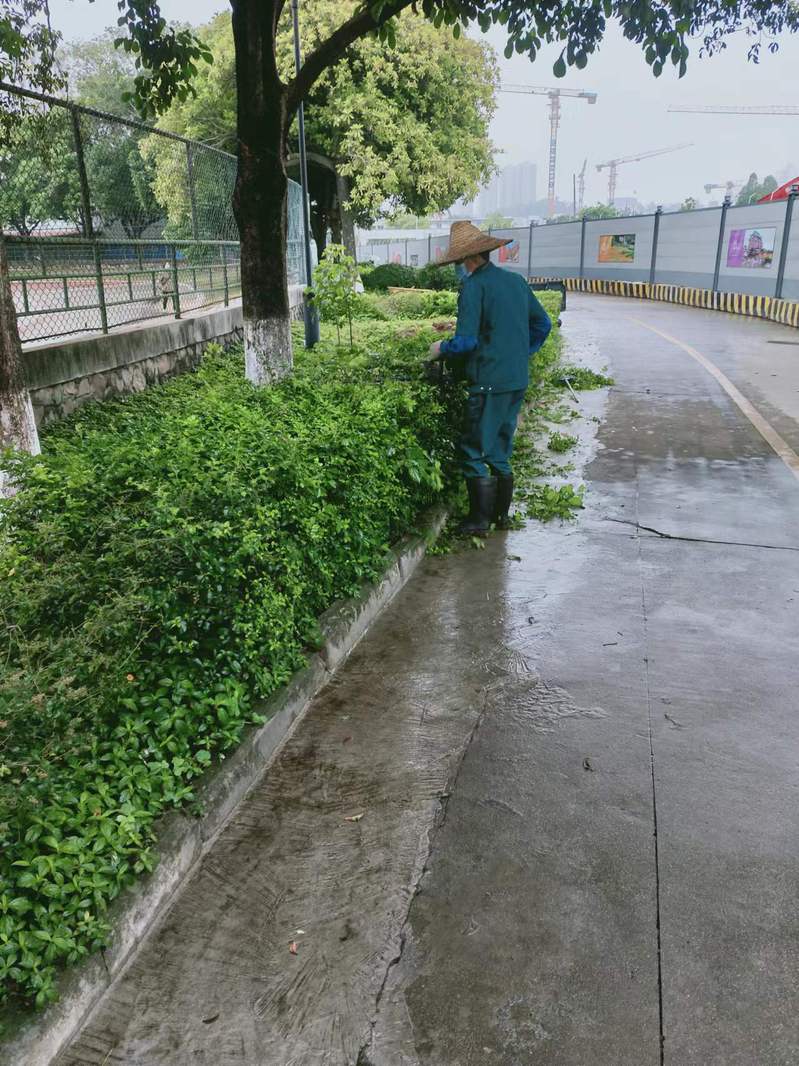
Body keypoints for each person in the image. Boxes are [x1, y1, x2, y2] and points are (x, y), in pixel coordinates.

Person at [427, 220, 552, 536]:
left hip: (488, 382)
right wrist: (519, 353)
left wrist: (441, 347)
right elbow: (543, 325)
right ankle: (501, 517)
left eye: (458, 261)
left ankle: (478, 522)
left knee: (473, 450)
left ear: (468, 258)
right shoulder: (516, 282)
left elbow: (467, 342)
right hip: (516, 379)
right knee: (499, 449)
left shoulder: (474, 286)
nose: (457, 267)